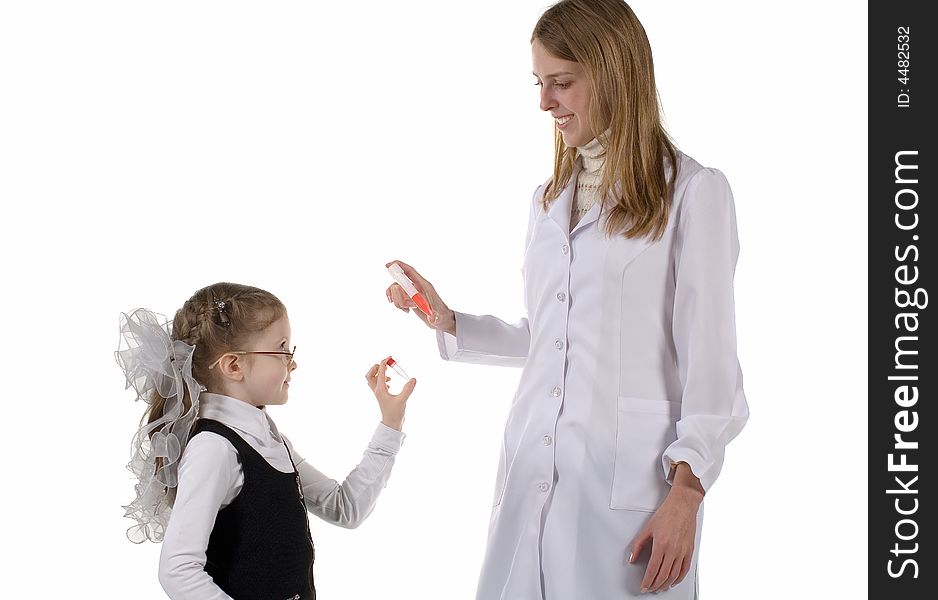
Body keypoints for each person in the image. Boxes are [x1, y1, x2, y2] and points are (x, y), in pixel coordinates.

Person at [384, 0, 748, 597]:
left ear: (614, 73)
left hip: (632, 487)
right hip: (536, 465)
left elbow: (712, 363)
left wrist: (688, 493)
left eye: (562, 83)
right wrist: (446, 319)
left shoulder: (692, 193)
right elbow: (550, 334)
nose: (545, 102)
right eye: (539, 83)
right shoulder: (547, 198)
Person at [117, 282, 415, 600]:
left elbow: (346, 508)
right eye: (282, 348)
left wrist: (390, 423)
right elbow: (177, 569)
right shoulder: (214, 449)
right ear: (234, 365)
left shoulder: (269, 439)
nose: (293, 361)